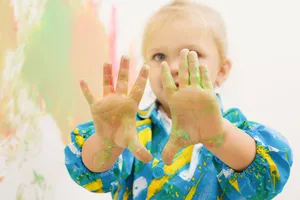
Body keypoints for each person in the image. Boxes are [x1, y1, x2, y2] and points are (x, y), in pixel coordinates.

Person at [64, 1, 293, 199]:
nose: (172, 66)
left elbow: (268, 180)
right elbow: (90, 175)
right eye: (159, 56)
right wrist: (107, 143)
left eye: (190, 54)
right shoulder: (132, 129)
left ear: (222, 70)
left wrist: (220, 137)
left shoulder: (234, 129)